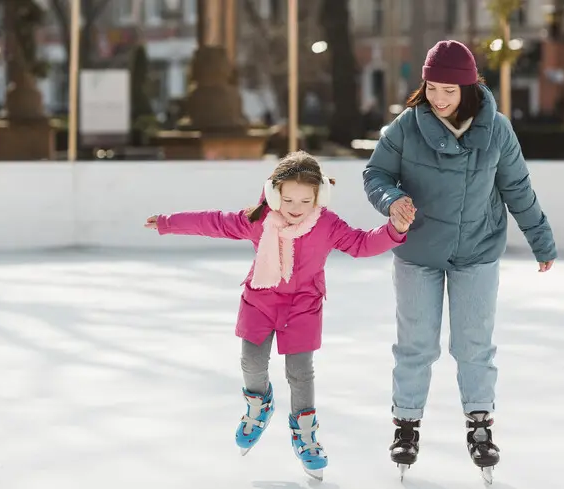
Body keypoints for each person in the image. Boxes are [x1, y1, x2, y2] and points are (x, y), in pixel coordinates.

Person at [144, 151, 413, 480]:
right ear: (274, 194)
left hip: (303, 305)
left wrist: (394, 229)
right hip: (260, 299)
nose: (296, 208)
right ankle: (259, 405)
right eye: (287, 199)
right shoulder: (258, 219)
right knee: (251, 362)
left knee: (300, 373)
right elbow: (212, 222)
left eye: (304, 200)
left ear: (318, 196)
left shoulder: (327, 224)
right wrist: (168, 223)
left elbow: (360, 244)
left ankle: (305, 432)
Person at [362, 40, 557, 482]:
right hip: (418, 252)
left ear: (468, 87)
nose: (440, 98)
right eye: (432, 88)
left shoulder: (498, 129)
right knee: (415, 345)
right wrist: (392, 200)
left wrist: (540, 240)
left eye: (449, 90)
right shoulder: (407, 127)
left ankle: (480, 424)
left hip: (477, 250)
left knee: (474, 345)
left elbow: (517, 189)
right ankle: (406, 424)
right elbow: (375, 174)